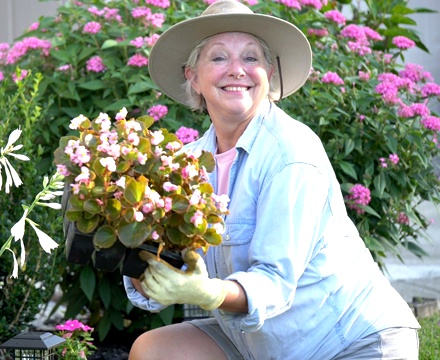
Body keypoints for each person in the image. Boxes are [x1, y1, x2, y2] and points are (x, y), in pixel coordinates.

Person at [123, 1, 420, 359]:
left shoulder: (291, 153)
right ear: (193, 77)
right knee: (154, 351)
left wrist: (210, 293)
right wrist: (127, 243)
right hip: (258, 343)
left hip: (350, 343)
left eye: (251, 58)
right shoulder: (187, 164)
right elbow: (164, 266)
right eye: (218, 58)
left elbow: (274, 283)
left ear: (268, 72)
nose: (237, 70)